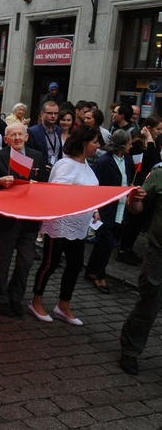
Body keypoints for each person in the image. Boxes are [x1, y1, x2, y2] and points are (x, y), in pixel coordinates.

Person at [28, 125, 101, 325]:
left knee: (75, 264)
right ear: (84, 143)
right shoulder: (66, 164)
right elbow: (58, 192)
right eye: (95, 141)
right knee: (50, 263)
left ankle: (63, 304)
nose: (98, 145)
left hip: (79, 225)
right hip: (60, 223)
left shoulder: (86, 166)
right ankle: (36, 301)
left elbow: (90, 192)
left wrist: (94, 209)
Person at [0, 123, 48, 317]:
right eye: (12, 135)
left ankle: (15, 295)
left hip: (29, 218)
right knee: (3, 260)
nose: (17, 138)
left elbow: (45, 185)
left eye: (20, 134)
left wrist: (37, 186)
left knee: (25, 261)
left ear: (26, 137)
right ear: (6, 139)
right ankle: (0, 298)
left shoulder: (38, 156)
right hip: (6, 219)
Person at [84, 129, 134, 294]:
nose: (131, 146)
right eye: (129, 143)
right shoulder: (104, 161)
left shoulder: (126, 159)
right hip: (105, 209)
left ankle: (91, 270)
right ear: (121, 144)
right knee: (105, 244)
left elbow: (127, 178)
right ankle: (100, 276)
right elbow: (95, 185)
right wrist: (95, 208)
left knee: (105, 243)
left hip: (120, 209)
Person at [119, 167, 158, 375]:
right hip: (158, 255)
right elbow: (137, 209)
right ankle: (131, 350)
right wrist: (134, 199)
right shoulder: (159, 174)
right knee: (149, 305)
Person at [117, 116, 162, 265]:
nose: (160, 132)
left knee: (139, 221)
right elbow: (153, 161)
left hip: (148, 188)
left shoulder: (152, 144)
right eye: (158, 129)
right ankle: (123, 250)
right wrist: (149, 139)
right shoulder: (137, 144)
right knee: (133, 221)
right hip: (138, 187)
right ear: (148, 128)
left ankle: (128, 248)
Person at [27, 100, 62, 172]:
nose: (53, 116)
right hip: (40, 172)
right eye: (50, 113)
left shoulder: (58, 130)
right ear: (42, 114)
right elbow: (28, 154)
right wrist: (40, 166)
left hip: (56, 171)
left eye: (56, 113)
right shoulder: (33, 131)